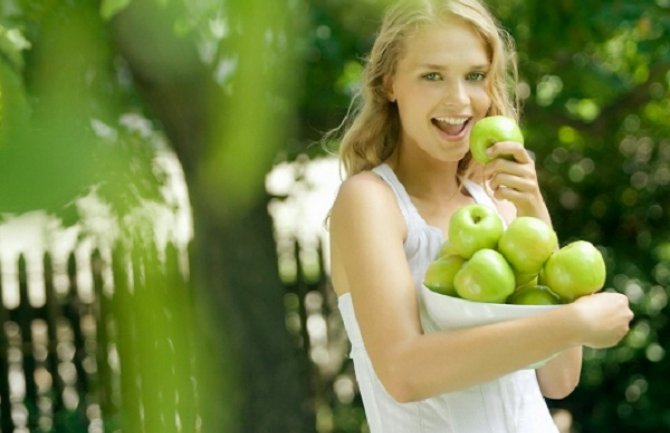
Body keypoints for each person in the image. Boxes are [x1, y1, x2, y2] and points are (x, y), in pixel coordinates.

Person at [326, 0, 634, 432]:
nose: (459, 99)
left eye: (475, 76)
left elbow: (559, 379)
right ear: (390, 82)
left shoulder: (498, 203)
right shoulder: (369, 201)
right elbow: (404, 373)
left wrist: (533, 209)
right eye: (432, 75)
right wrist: (574, 321)